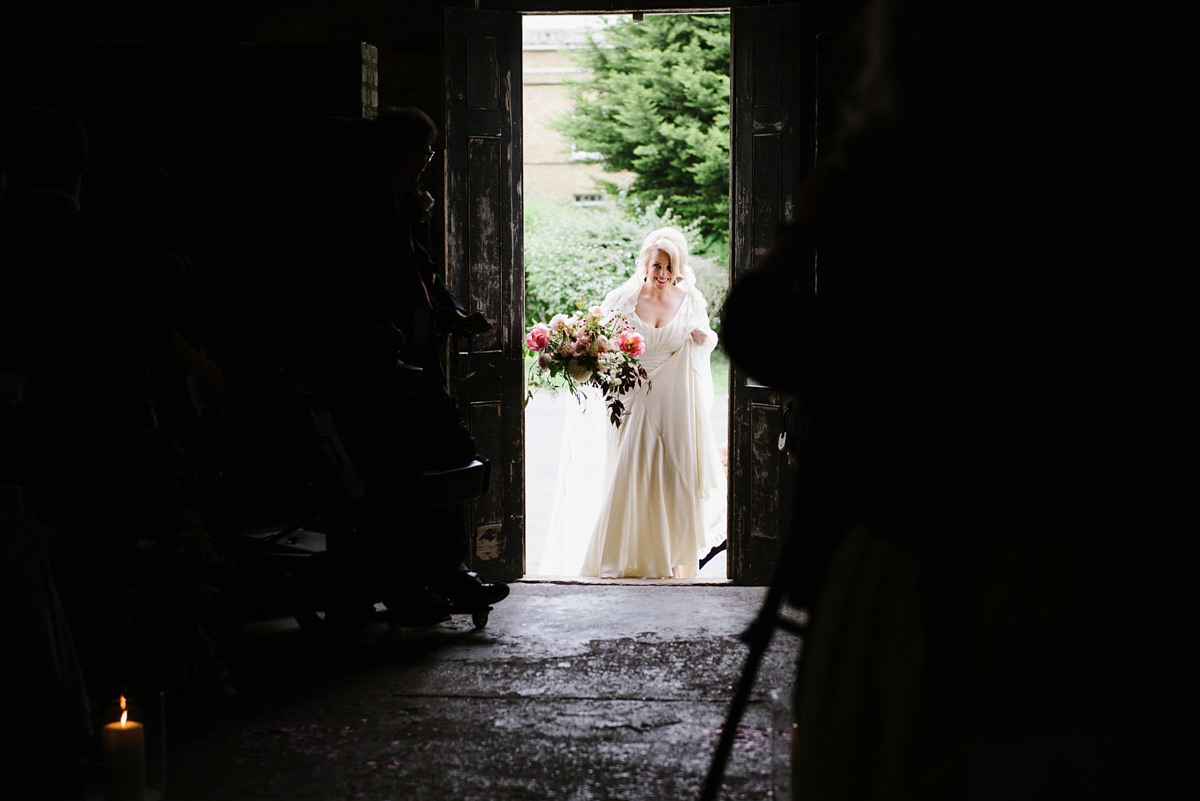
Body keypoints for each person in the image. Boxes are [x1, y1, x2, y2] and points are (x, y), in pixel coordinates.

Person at [721, 0, 1196, 797]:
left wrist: (800, 231)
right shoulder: (1121, 185)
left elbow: (773, 337)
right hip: (1081, 566)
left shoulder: (889, 186)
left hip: (912, 573)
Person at [279, 108, 507, 621]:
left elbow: (421, 277)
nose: (428, 164)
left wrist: (451, 315)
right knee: (400, 470)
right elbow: (322, 279)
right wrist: (359, 322)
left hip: (416, 367)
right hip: (373, 370)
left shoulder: (403, 204)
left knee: (453, 452)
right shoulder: (349, 202)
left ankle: (447, 569)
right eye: (427, 155)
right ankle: (405, 581)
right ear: (407, 156)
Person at [571, 227, 724, 579]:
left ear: (679, 268)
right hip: (633, 398)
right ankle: (628, 555)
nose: (663, 274)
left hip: (676, 402)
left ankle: (670, 559)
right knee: (635, 473)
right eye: (657, 265)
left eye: (670, 267)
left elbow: (706, 338)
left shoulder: (691, 300)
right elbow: (599, 341)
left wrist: (704, 340)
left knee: (674, 478)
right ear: (645, 263)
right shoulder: (623, 298)